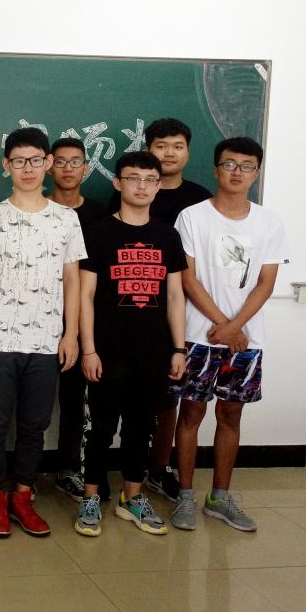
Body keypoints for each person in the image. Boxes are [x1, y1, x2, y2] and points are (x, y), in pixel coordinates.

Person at [169, 137, 289, 533]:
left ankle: (219, 497)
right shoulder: (192, 217)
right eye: (229, 164)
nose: (237, 172)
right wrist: (223, 324)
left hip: (245, 341)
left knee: (231, 414)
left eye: (246, 166)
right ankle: (185, 495)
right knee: (191, 413)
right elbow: (187, 278)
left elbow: (266, 282)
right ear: (216, 168)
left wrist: (235, 328)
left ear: (256, 173)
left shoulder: (269, 222)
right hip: (197, 335)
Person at [0, 127, 85, 538]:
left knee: (34, 426)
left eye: (35, 160)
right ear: (6, 166)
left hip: (46, 340)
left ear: (48, 164)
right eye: (19, 161)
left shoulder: (66, 218)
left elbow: (73, 280)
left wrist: (71, 335)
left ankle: (23, 496)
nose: (27, 168)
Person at [75, 152, 187, 537]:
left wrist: (178, 349)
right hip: (107, 350)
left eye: (149, 179)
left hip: (153, 351)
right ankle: (91, 497)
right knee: (101, 428)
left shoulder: (167, 235)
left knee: (141, 427)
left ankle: (132, 498)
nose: (141, 186)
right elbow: (85, 295)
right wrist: (88, 349)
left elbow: (175, 296)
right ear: (118, 183)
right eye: (133, 178)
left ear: (158, 186)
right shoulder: (98, 232)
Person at [109, 118, 212, 501]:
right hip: (128, 313)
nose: (169, 153)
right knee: (119, 402)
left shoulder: (200, 199)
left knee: (168, 398)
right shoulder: (125, 196)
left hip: (180, 310)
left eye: (177, 146)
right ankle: (122, 474)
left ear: (188, 152)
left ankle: (158, 467)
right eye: (161, 145)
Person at [46, 136, 107, 502]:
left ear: (86, 168)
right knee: (35, 402)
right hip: (39, 317)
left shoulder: (99, 214)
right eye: (60, 161)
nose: (68, 169)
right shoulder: (36, 209)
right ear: (48, 166)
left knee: (80, 398)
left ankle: (79, 469)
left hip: (86, 319)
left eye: (75, 162)